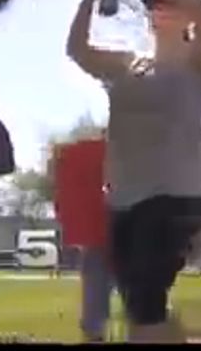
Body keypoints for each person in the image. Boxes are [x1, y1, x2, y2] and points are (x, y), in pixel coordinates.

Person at [67, 0, 201, 343]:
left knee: (146, 295)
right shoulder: (128, 65)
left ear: (185, 16)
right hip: (125, 197)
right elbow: (77, 50)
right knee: (139, 303)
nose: (159, 8)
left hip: (178, 193)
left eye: (169, 1)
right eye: (153, 3)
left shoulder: (198, 62)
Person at [52, 133, 115, 343]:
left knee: (95, 296)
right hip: (116, 232)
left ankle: (94, 332)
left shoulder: (81, 155)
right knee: (147, 306)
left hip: (100, 236)